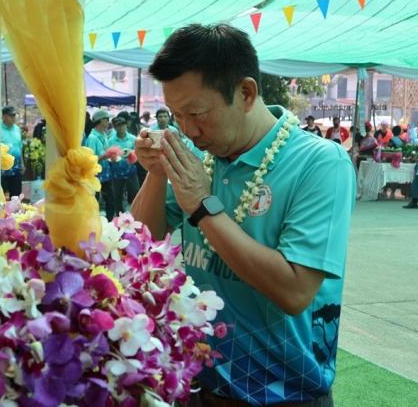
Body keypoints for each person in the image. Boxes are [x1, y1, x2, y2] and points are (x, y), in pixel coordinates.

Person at [131, 23, 353, 406]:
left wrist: (202, 207)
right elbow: (140, 244)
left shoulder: (319, 162)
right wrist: (157, 171)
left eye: (197, 113)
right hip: (197, 382)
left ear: (246, 93)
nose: (188, 130)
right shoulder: (199, 152)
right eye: (176, 115)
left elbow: (295, 291)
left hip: (283, 393)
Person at [86, 109, 116, 219]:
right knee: (95, 200)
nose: (108, 121)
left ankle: (109, 222)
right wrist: (104, 157)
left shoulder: (103, 134)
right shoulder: (92, 138)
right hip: (96, 175)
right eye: (107, 119)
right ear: (100, 120)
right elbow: (89, 158)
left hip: (106, 173)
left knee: (110, 200)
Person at [108, 115, 140, 216]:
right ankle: (119, 217)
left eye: (123, 125)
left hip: (131, 171)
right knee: (117, 196)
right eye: (118, 125)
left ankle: (136, 215)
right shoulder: (110, 140)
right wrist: (114, 156)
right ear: (115, 127)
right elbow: (108, 157)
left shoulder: (133, 138)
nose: (121, 127)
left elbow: (138, 153)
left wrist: (131, 153)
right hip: (116, 172)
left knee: (135, 194)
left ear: (126, 125)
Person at [0, 105, 23, 199]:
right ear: (4, 116)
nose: (13, 117)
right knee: (1, 195)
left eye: (14, 115)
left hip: (16, 167)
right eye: (11, 115)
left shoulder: (17, 129)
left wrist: (22, 163)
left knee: (16, 195)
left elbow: (20, 147)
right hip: (2, 168)